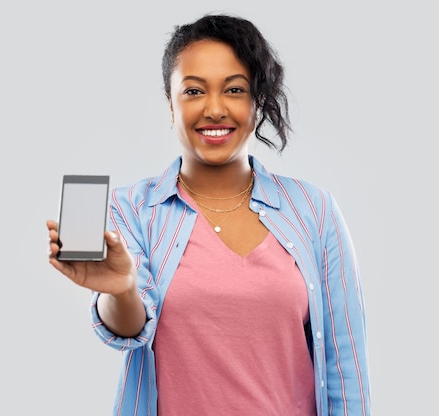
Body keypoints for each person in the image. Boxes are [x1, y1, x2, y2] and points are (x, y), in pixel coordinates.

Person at [47, 13, 370, 416]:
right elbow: (128, 330)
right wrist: (121, 288)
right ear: (170, 104)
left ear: (257, 101)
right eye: (194, 91)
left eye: (234, 90)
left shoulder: (314, 210)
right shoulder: (131, 208)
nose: (215, 109)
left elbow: (345, 363)